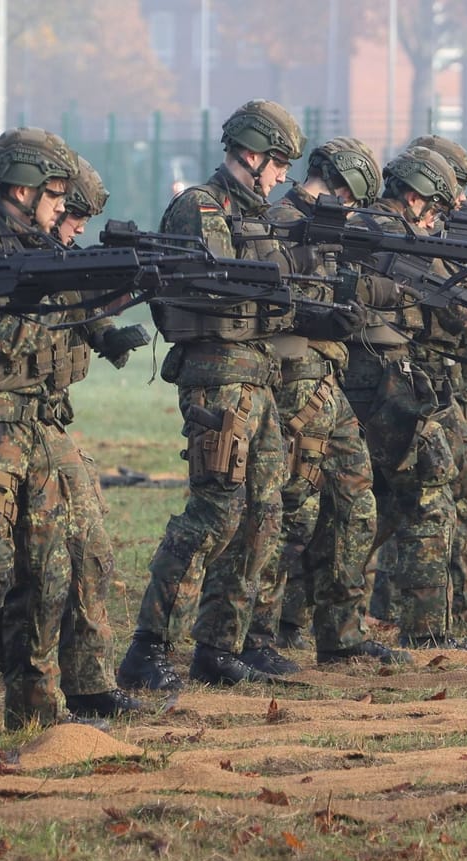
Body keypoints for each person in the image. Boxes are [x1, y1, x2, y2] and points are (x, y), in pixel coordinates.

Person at [0, 128, 138, 730]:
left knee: (54, 567)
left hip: (35, 421)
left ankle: (39, 704)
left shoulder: (38, 246)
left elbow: (55, 315)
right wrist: (76, 316)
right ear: (21, 189)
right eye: (53, 195)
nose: (61, 209)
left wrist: (101, 312)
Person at [116, 99, 310, 689]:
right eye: (276, 163)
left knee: (264, 513)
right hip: (218, 377)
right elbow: (216, 286)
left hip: (259, 376)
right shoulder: (201, 207)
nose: (281, 176)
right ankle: (149, 648)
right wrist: (283, 286)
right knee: (215, 512)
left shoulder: (265, 219)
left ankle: (221, 647)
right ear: (250, 155)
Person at [242, 136, 407, 670]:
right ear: (344, 184)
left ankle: (341, 634)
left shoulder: (332, 227)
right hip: (291, 384)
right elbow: (272, 298)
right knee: (289, 514)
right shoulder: (277, 222)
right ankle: (258, 636)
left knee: (356, 504)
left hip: (327, 383)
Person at [340, 146, 467, 650]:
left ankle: (299, 613)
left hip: (377, 382)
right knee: (427, 495)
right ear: (414, 196)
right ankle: (425, 629)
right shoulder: (388, 237)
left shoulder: (373, 230)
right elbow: (461, 315)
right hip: (381, 384)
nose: (436, 219)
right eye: (435, 208)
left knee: (371, 510)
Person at [46, 150, 149, 718]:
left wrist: (107, 331)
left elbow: (75, 305)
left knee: (91, 550)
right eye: (69, 211)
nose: (76, 223)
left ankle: (88, 684)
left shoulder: (51, 256)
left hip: (45, 427)